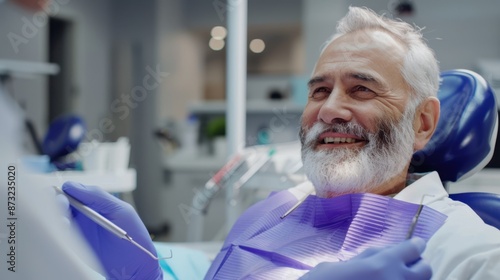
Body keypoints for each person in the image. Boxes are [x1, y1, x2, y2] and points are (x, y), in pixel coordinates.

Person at [59, 6, 500, 280]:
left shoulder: (461, 247)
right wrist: (152, 272)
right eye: (319, 91)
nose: (329, 109)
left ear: (422, 123)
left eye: (361, 89)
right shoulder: (277, 208)